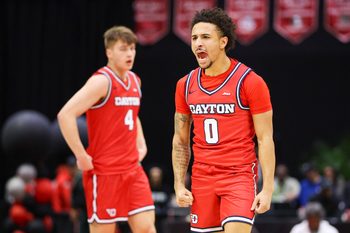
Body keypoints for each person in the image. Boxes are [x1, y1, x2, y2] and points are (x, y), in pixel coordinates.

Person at [172, 7, 275, 233]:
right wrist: (179, 185)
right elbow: (180, 141)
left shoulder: (250, 81)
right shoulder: (185, 85)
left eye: (206, 37)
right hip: (202, 178)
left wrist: (267, 189)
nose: (198, 43)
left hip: (238, 176)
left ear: (223, 42)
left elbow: (265, 139)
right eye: (194, 38)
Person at [57, 26, 156, 233]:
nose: (129, 54)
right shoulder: (101, 81)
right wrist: (80, 154)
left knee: (146, 228)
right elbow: (65, 115)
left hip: (132, 170)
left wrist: (141, 142)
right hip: (105, 172)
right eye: (123, 49)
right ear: (109, 52)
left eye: (132, 48)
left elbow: (132, 114)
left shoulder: (135, 81)